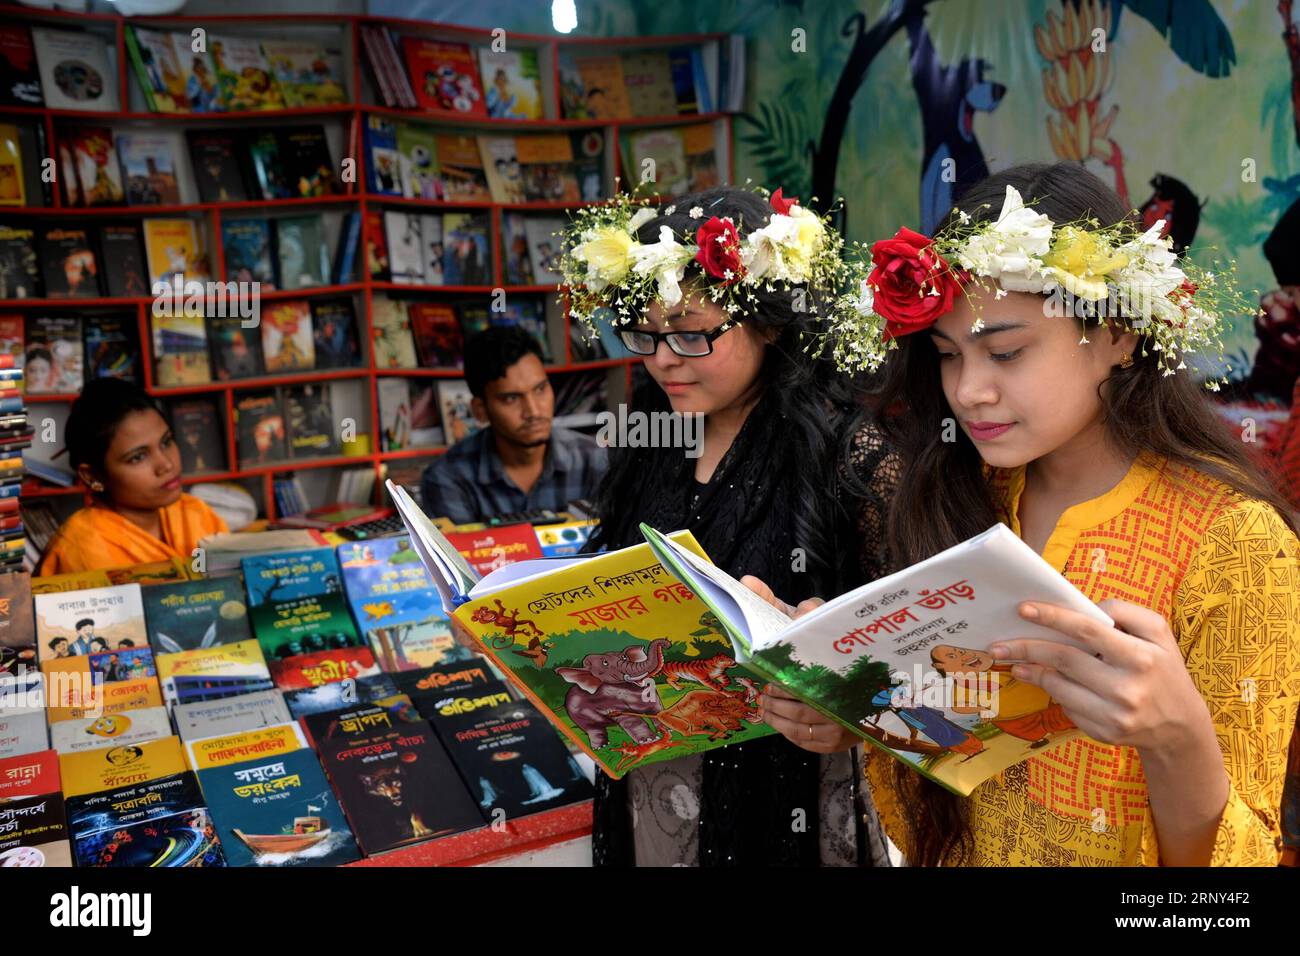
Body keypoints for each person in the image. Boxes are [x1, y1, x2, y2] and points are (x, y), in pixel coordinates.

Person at [746, 161, 1300, 866]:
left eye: (1005, 351)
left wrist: (1177, 738)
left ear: (1120, 334)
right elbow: (956, 751)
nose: (970, 390)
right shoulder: (961, 494)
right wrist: (850, 699)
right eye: (947, 356)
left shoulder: (1237, 543)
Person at [561, 184, 898, 866]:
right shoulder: (653, 442)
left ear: (769, 323)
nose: (661, 360)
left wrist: (828, 658)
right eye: (646, 334)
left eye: (690, 332)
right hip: (651, 785)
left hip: (787, 790)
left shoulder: (849, 454)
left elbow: (915, 640)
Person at [38, 378, 227, 576]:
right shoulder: (79, 551)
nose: (166, 465)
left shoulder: (196, 514)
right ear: (93, 476)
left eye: (166, 442)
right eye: (137, 457)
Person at [421, 326, 606, 525]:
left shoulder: (595, 460)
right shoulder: (447, 479)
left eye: (540, 389)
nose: (534, 412)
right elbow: (457, 556)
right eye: (511, 399)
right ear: (480, 410)